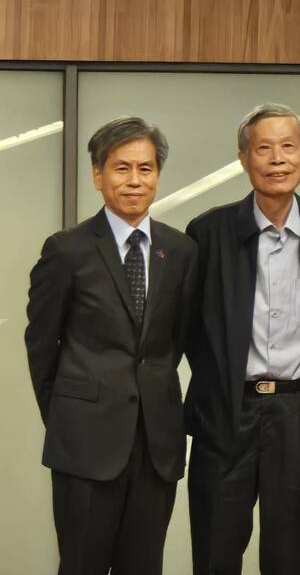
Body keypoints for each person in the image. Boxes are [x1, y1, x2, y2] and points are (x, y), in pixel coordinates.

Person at [25, 116, 198, 575]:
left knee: (143, 566)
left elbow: (177, 340)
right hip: (85, 441)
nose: (135, 180)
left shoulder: (181, 252)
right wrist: (66, 414)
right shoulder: (67, 250)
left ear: (157, 175)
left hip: (156, 444)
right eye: (122, 168)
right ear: (98, 175)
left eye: (145, 168)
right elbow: (41, 343)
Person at [184, 103, 300, 574]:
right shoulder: (209, 232)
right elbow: (186, 327)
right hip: (226, 413)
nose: (278, 159)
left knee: (288, 558)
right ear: (243, 158)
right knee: (216, 553)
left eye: (288, 147)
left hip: (297, 414)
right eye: (264, 148)